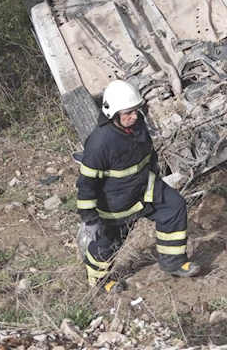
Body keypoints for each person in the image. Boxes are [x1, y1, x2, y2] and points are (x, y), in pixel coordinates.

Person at [76, 79, 201, 293]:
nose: (134, 116)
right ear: (112, 113)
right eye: (128, 113)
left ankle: (173, 262)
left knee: (174, 207)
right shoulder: (100, 143)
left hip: (147, 188)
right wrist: (90, 218)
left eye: (135, 110)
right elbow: (86, 184)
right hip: (117, 203)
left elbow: (147, 154)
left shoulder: (138, 124)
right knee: (108, 244)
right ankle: (98, 282)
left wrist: (153, 171)